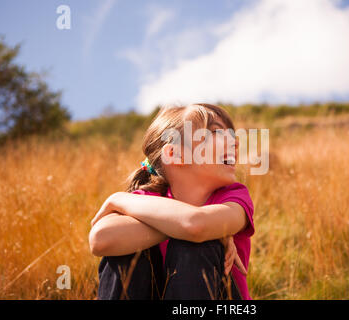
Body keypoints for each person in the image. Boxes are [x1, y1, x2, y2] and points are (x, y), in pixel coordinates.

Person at [89, 103, 255, 300]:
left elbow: (195, 226)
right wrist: (196, 227)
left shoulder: (235, 197)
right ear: (175, 154)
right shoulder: (147, 200)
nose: (235, 142)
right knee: (125, 251)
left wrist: (119, 200)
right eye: (216, 132)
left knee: (198, 244)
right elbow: (101, 239)